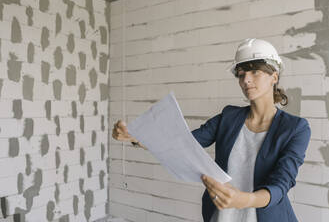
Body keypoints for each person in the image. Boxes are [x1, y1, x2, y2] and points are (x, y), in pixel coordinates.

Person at [112, 38, 311, 222]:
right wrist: (139, 137)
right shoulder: (229, 117)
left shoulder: (295, 128)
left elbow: (282, 182)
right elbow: (184, 143)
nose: (246, 80)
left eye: (254, 72)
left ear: (274, 76)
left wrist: (245, 200)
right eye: (241, 74)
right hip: (222, 216)